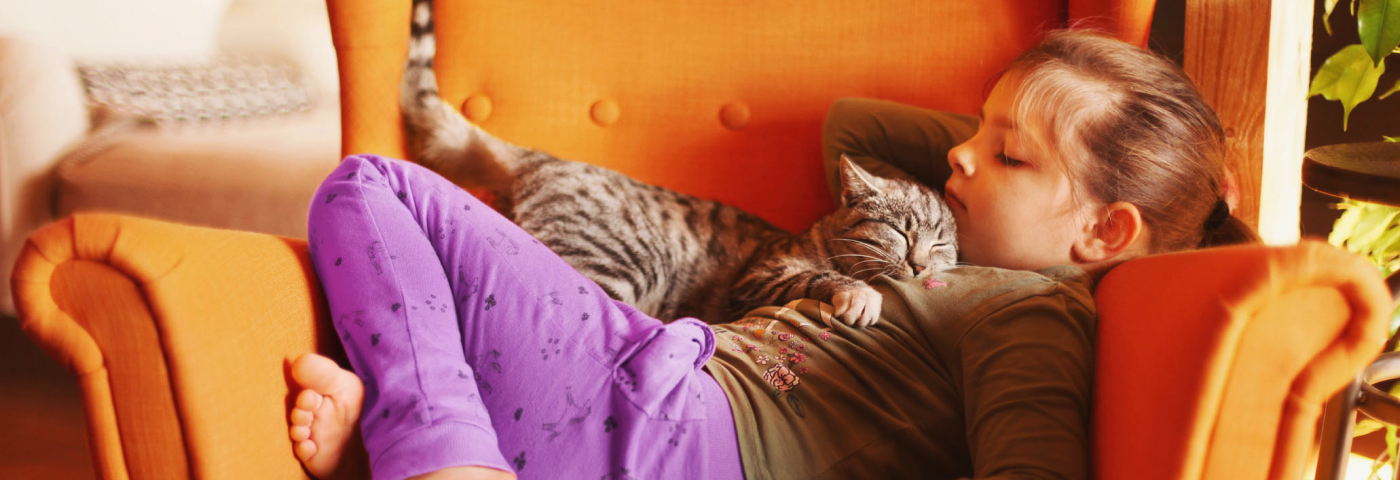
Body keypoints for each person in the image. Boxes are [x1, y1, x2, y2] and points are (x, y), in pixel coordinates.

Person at [286, 29, 1259, 480]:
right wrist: (1019, 122)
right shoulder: (964, 272)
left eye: (1007, 154)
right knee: (420, 257)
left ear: (1102, 232)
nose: (958, 153)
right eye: (971, 129)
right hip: (656, 387)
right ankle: (423, 441)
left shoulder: (1033, 314)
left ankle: (434, 452)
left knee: (373, 187)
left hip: (673, 412)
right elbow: (853, 128)